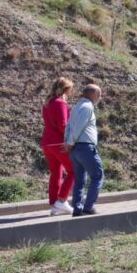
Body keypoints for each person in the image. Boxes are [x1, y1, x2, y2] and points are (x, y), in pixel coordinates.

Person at [63, 84, 104, 217]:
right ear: (92, 94)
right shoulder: (87, 107)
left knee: (80, 179)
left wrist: (68, 143)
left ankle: (77, 209)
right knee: (97, 176)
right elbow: (78, 127)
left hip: (75, 150)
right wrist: (69, 142)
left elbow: (68, 126)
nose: (100, 97)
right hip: (85, 147)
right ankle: (88, 207)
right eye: (99, 94)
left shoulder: (76, 107)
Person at [41, 77, 75, 216]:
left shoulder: (47, 103)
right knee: (75, 170)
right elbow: (63, 126)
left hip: (47, 143)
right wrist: (73, 140)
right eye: (71, 89)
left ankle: (55, 205)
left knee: (56, 173)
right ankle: (62, 200)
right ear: (66, 89)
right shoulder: (60, 103)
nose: (72, 92)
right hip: (59, 143)